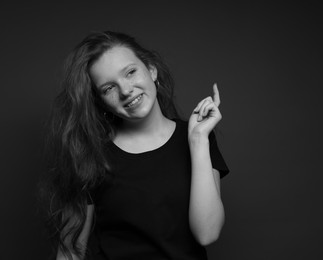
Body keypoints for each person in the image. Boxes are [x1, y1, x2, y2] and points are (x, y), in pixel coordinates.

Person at [42, 31, 229, 260]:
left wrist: (198, 141)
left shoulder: (198, 137)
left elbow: (207, 233)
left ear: (151, 70)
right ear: (99, 101)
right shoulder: (90, 155)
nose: (126, 90)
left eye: (130, 72)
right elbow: (70, 251)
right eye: (109, 88)